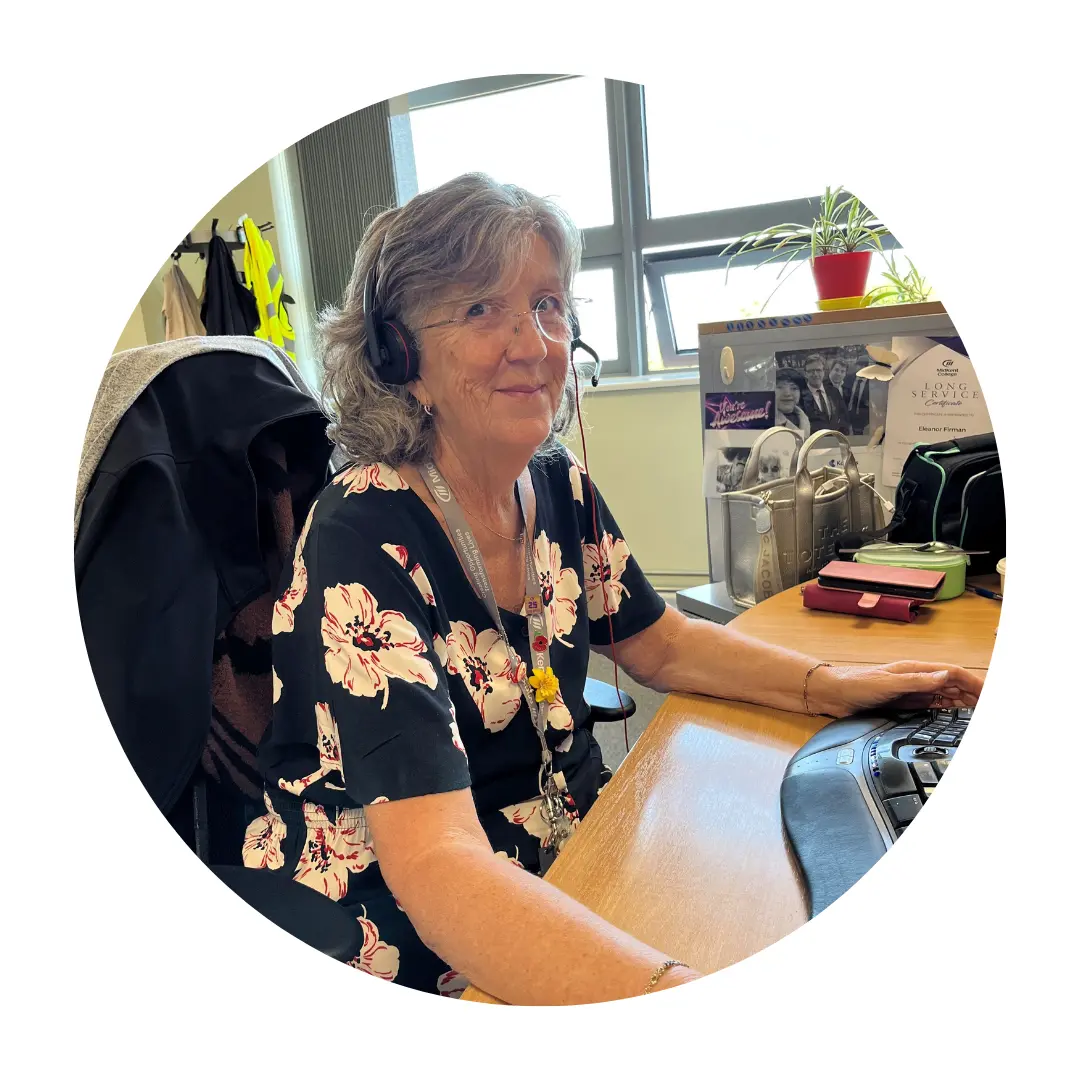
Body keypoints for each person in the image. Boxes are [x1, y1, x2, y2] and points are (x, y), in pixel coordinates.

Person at [244, 173, 983, 1004]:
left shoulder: (555, 481)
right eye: (482, 309)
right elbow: (436, 862)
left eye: (547, 305)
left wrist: (833, 687)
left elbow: (660, 644)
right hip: (405, 913)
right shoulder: (359, 534)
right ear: (398, 357)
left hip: (567, 852)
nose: (534, 343)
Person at [802, 351, 852, 434]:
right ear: (805, 374)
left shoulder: (834, 392)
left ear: (824, 372)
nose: (815, 374)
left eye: (818, 370)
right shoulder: (800, 397)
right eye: (811, 371)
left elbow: (844, 417)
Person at [775, 369, 812, 438]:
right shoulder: (761, 421)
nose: (787, 394)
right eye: (780, 387)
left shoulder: (804, 418)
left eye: (794, 388)